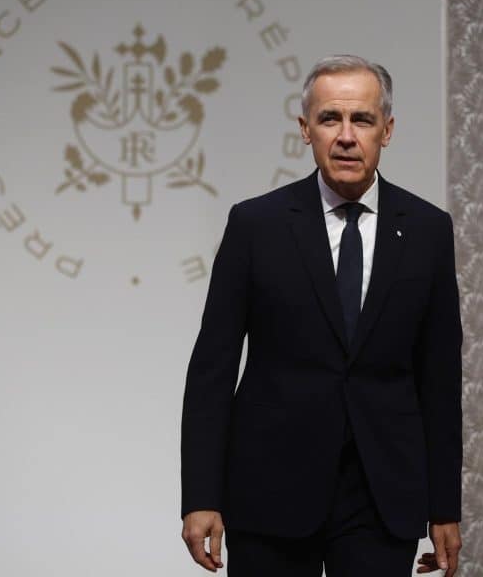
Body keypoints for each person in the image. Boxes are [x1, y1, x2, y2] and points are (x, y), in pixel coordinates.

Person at [180, 54, 463, 576]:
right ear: (305, 130)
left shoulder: (427, 230)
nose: (347, 136)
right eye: (331, 118)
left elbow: (440, 378)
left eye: (363, 120)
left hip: (383, 496)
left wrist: (444, 507)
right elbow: (212, 372)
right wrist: (200, 496)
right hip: (269, 491)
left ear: (388, 130)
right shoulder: (255, 225)